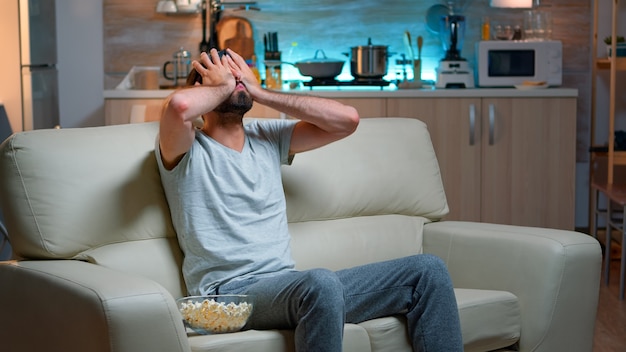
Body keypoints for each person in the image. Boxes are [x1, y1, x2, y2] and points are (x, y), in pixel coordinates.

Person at [155, 48, 463, 352]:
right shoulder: (186, 149)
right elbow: (179, 106)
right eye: (226, 76)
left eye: (239, 74)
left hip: (289, 288)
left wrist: (260, 92)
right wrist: (221, 85)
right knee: (320, 283)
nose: (236, 80)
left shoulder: (268, 138)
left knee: (428, 271)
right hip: (229, 297)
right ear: (201, 90)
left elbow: (347, 120)